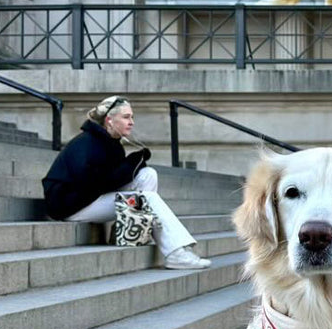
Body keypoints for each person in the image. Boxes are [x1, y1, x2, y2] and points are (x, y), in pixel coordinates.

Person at [41, 96, 211, 270]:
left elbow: (109, 180)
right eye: (126, 117)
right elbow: (93, 184)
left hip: (89, 198)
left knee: (148, 174)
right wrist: (129, 166)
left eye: (132, 117)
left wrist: (133, 166)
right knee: (146, 198)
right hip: (70, 207)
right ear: (109, 120)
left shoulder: (111, 144)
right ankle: (176, 254)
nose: (131, 122)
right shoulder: (87, 143)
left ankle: (122, 231)